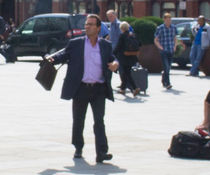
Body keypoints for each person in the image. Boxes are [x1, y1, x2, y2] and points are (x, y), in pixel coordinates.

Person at [48, 13, 118, 163]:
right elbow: (64, 55)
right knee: (78, 120)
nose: (87, 26)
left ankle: (101, 152)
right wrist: (53, 59)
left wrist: (115, 64)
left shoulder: (105, 45)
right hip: (80, 88)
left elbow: (113, 59)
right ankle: (78, 147)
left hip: (98, 89)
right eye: (86, 24)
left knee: (99, 121)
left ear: (98, 28)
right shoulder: (76, 43)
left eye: (91, 24)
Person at [114, 19, 142, 97]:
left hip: (124, 57)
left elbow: (118, 47)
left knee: (126, 73)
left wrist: (112, 54)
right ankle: (123, 89)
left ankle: (135, 87)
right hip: (132, 57)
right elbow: (140, 44)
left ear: (121, 29)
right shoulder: (132, 35)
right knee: (125, 72)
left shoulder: (122, 36)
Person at [153, 13, 177, 89]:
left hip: (171, 49)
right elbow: (156, 39)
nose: (168, 22)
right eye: (167, 20)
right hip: (163, 49)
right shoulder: (160, 28)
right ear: (164, 20)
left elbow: (175, 38)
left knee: (168, 67)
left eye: (169, 20)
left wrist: (175, 46)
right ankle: (167, 83)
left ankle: (163, 79)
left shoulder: (173, 28)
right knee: (166, 66)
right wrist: (160, 47)